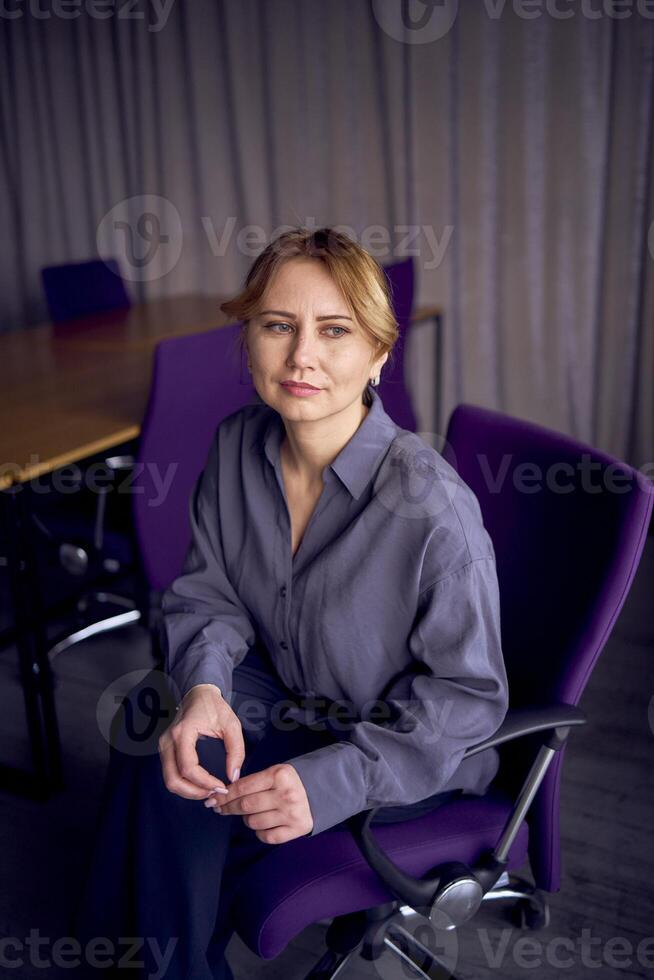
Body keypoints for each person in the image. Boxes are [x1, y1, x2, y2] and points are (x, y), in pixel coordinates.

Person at [72, 227, 509, 979]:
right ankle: (150, 960)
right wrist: (206, 687)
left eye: (334, 331)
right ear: (249, 340)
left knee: (176, 778)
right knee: (163, 715)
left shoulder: (432, 511)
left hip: (399, 748)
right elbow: (210, 591)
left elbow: (467, 704)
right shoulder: (236, 446)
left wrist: (332, 779)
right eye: (277, 326)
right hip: (290, 697)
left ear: (378, 354)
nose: (301, 356)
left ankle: (140, 955)